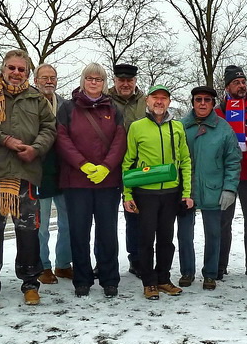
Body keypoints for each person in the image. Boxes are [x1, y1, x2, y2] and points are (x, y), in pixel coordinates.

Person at [0, 49, 56, 308]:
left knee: (29, 232)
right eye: (12, 68)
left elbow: (49, 128)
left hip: (26, 174)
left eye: (22, 69)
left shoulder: (36, 99)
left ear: (27, 73)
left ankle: (30, 283)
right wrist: (4, 139)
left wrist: (36, 149)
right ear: (3, 69)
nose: (16, 73)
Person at [56, 63, 127, 297]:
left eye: (98, 79)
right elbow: (62, 139)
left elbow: (120, 140)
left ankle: (109, 279)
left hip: (107, 182)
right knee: (79, 232)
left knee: (107, 232)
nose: (94, 82)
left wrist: (107, 166)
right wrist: (82, 164)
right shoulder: (67, 108)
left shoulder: (114, 108)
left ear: (104, 82)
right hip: (76, 181)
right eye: (90, 78)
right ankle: (82, 279)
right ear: (83, 80)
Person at [122, 85, 193, 300]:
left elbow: (185, 161)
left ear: (169, 102)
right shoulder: (137, 127)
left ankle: (163, 279)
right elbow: (128, 161)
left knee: (166, 239)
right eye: (155, 98)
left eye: (164, 98)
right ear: (147, 101)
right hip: (145, 192)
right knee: (145, 239)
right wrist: (127, 194)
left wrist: (186, 192)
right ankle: (149, 282)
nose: (159, 102)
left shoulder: (177, 127)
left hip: (171, 192)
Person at [178, 86, 242, 290]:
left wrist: (230, 188)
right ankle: (187, 271)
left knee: (214, 233)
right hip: (186, 189)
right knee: (184, 233)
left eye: (207, 99)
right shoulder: (180, 127)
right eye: (198, 99)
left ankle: (211, 273)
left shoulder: (224, 129)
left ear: (213, 103)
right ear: (193, 102)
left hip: (214, 188)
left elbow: (233, 160)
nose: (202, 103)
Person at [215, 65, 247, 281]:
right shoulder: (220, 110)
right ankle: (219, 265)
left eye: (243, 81)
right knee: (224, 221)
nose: (242, 85)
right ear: (227, 87)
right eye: (236, 82)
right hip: (227, 175)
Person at [34, 63, 73, 284]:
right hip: (39, 170)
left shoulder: (65, 105)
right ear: (36, 80)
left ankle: (63, 264)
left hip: (63, 171)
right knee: (42, 224)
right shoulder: (29, 103)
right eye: (44, 77)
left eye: (53, 77)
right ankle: (42, 266)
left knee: (67, 222)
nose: (49, 81)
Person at [108, 63, 147, 278]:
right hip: (109, 166)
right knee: (107, 218)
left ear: (134, 81)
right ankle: (105, 261)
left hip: (137, 168)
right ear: (114, 80)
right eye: (121, 80)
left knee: (135, 215)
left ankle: (136, 259)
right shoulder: (104, 101)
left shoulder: (144, 102)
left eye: (129, 80)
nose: (125, 84)